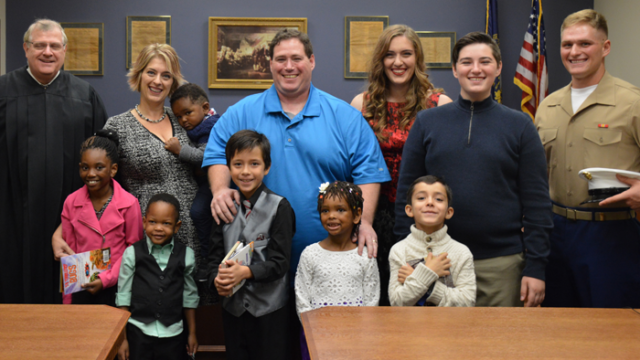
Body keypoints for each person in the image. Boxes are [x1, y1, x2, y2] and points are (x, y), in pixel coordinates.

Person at [203, 29, 389, 285]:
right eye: (280, 59)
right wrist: (221, 189)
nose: (288, 66)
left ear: (311, 61)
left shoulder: (345, 117)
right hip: (257, 265)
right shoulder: (241, 113)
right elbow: (216, 154)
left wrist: (364, 221)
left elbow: (368, 173)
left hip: (330, 259)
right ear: (270, 64)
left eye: (297, 58)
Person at [395, 32, 552, 307]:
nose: (476, 69)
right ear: (455, 69)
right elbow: (405, 194)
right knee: (438, 347)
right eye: (466, 62)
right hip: (436, 261)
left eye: (485, 61)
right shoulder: (427, 123)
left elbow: (538, 203)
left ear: (498, 68)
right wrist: (402, 255)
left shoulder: (520, 126)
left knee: (498, 347)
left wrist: (536, 267)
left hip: (501, 264)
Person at [535, 9, 640, 308]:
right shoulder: (548, 106)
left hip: (612, 234)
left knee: (611, 333)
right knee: (560, 331)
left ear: (605, 47)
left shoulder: (632, 102)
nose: (574, 52)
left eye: (585, 44)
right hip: (555, 234)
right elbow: (535, 174)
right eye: (567, 44)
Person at [0, 18, 108, 304]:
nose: (47, 52)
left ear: (64, 50)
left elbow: (103, 157)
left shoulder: (85, 95)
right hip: (11, 214)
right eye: (39, 45)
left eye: (54, 46)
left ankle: (82, 348)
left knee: (80, 296)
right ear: (26, 48)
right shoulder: (3, 90)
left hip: (76, 216)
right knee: (13, 293)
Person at [350, 24, 452, 305]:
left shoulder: (439, 104)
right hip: (374, 216)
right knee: (379, 295)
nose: (398, 62)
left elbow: (449, 167)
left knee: (420, 295)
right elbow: (352, 164)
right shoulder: (362, 104)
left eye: (406, 54)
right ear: (380, 60)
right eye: (390, 55)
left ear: (417, 59)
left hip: (423, 217)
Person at [208, 130, 295, 360]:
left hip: (270, 312)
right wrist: (216, 280)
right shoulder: (223, 207)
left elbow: (280, 263)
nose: (245, 171)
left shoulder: (280, 208)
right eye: (238, 164)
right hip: (233, 312)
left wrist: (246, 272)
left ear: (266, 168)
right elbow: (212, 259)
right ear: (228, 168)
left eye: (254, 163)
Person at [295, 181, 380, 360]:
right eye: (325, 210)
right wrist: (313, 328)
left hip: (356, 338)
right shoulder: (310, 254)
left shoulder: (364, 256)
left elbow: (372, 299)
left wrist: (361, 329)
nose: (331, 216)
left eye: (340, 210)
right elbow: (302, 296)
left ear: (356, 215)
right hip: (316, 337)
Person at [59, 130, 143, 305]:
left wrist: (106, 279)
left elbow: (134, 249)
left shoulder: (129, 203)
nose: (90, 174)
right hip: (82, 285)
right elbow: (69, 253)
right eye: (84, 167)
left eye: (99, 167)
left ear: (113, 169)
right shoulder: (71, 202)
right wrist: (67, 302)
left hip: (119, 286)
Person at [116, 193, 198, 360]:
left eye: (166, 223)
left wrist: (192, 333)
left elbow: (189, 297)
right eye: (153, 222)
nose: (159, 228)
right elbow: (123, 297)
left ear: (177, 226)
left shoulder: (186, 255)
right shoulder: (132, 253)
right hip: (137, 333)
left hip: (173, 335)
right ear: (144, 222)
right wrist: (122, 339)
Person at [388, 175, 475, 307]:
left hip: (450, 326)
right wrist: (430, 271)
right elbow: (397, 302)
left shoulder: (461, 252)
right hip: (409, 326)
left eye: (438, 199)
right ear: (409, 210)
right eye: (421, 198)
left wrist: (426, 282)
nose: (430, 203)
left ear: (449, 212)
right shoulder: (399, 250)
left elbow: (467, 302)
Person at [167, 83, 220, 271]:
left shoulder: (210, 126)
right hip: (204, 181)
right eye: (178, 116)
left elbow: (205, 156)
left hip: (215, 181)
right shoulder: (198, 126)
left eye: (187, 113)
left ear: (205, 108)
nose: (183, 120)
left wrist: (180, 150)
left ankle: (208, 259)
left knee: (198, 212)